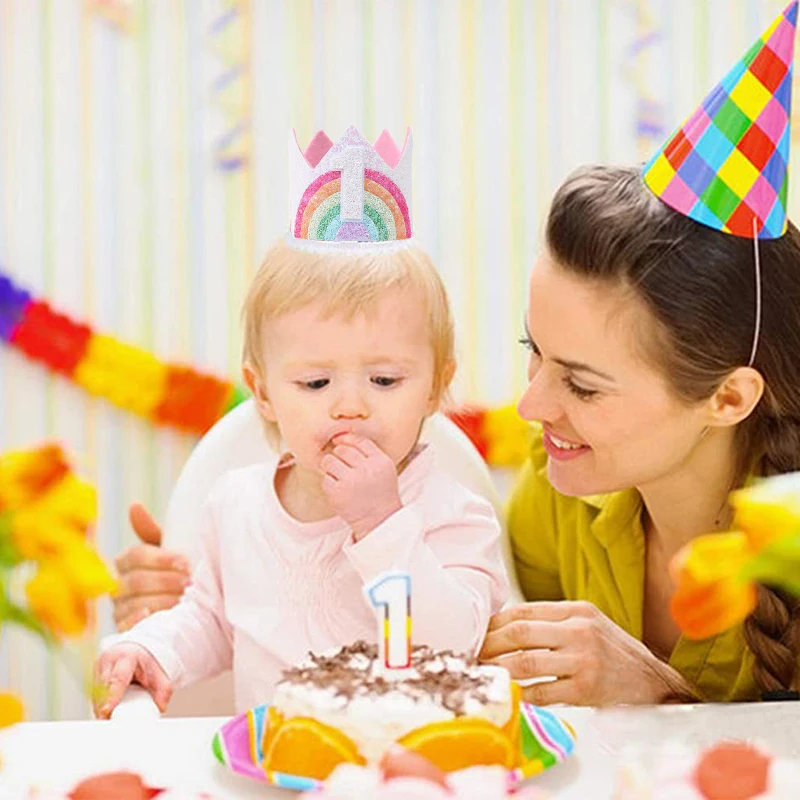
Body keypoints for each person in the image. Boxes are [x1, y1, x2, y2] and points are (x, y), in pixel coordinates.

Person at [93, 128, 510, 719]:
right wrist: (152, 647)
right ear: (262, 391)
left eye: (385, 381)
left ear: (437, 386)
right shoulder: (235, 507)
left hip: (410, 766)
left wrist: (382, 523)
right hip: (271, 764)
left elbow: (454, 647)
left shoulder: (452, 512)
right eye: (316, 383)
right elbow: (211, 621)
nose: (350, 406)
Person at [480, 1, 800, 704]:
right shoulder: (556, 489)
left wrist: (663, 700)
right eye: (536, 352)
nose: (531, 405)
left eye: (584, 386)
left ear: (728, 397)